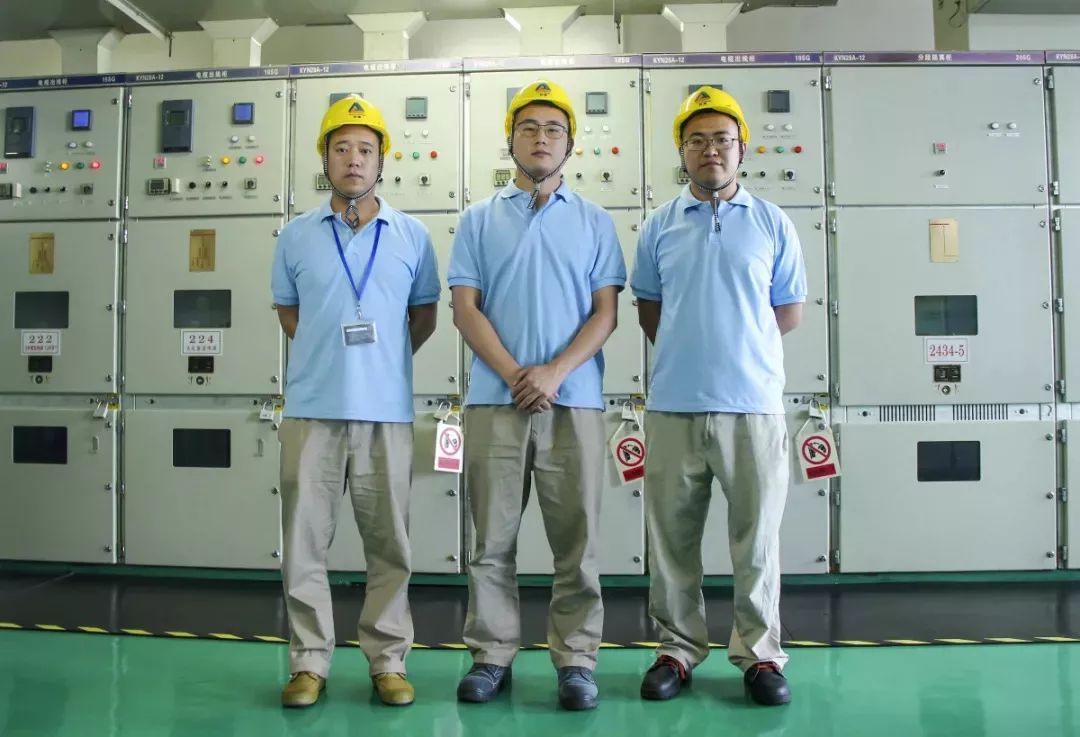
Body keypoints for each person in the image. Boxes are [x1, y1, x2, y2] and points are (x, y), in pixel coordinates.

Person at [447, 79, 626, 711]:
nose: (541, 138)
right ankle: (491, 655)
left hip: (574, 403)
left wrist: (554, 372)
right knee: (490, 542)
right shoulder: (478, 219)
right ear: (511, 141)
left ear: (570, 144)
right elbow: (464, 308)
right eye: (529, 128)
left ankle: (576, 660)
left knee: (577, 544)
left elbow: (606, 313)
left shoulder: (595, 221)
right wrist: (515, 374)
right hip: (494, 403)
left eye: (553, 129)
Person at [632, 86, 806, 707]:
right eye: (697, 140)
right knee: (671, 542)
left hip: (753, 407)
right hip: (673, 406)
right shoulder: (659, 225)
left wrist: (739, 351)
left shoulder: (772, 222)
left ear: (742, 150)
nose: (711, 150)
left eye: (722, 140)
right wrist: (696, 350)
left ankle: (760, 656)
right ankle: (677, 650)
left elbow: (788, 310)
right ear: (682, 152)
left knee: (756, 541)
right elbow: (650, 310)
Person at [270, 94, 440, 708]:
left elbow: (424, 316)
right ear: (325, 158)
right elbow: (289, 312)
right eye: (341, 148)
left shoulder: (412, 235)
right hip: (311, 412)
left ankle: (388, 660)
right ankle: (308, 663)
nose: (353, 159)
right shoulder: (295, 236)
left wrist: (378, 365)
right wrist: (331, 358)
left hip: (386, 415)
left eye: (365, 149)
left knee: (389, 545)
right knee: (304, 544)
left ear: (382, 160)